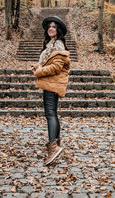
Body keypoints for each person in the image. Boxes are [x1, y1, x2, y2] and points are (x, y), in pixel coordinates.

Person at [31, 16, 71, 166]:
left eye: (54, 27)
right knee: (52, 114)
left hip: (52, 85)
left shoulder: (58, 46)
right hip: (50, 84)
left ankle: (53, 147)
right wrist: (36, 66)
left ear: (58, 30)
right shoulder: (51, 45)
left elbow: (55, 67)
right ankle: (56, 143)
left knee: (50, 114)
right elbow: (47, 63)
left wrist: (38, 73)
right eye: (49, 26)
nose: (51, 28)